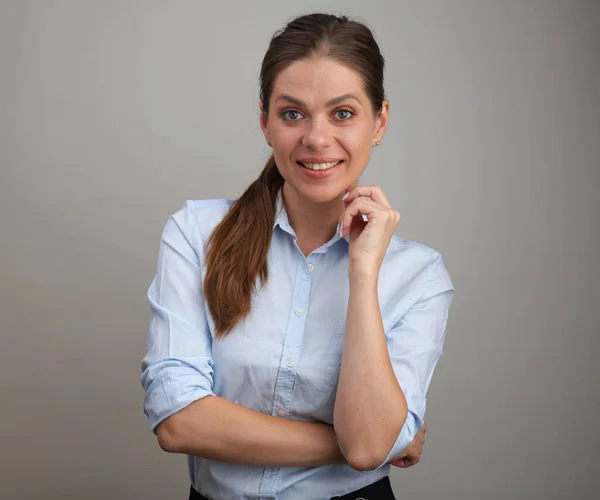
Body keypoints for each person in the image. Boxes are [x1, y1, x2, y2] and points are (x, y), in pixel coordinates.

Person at [140, 12, 454, 500]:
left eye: (343, 113)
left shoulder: (419, 276)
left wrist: (364, 271)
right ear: (265, 121)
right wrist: (352, 446)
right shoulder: (196, 233)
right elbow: (178, 421)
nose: (316, 138)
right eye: (293, 113)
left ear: (380, 122)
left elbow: (370, 444)